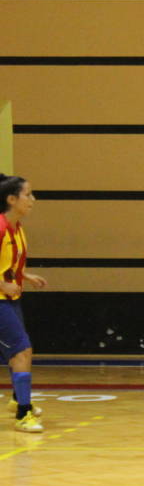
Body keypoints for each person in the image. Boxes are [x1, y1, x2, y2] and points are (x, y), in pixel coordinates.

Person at [0, 175, 49, 432]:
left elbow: (6, 263)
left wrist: (24, 275)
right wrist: (2, 285)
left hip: (11, 299)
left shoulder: (16, 227)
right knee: (21, 352)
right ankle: (23, 413)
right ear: (11, 199)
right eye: (27, 194)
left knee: (18, 353)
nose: (33, 199)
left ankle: (18, 399)